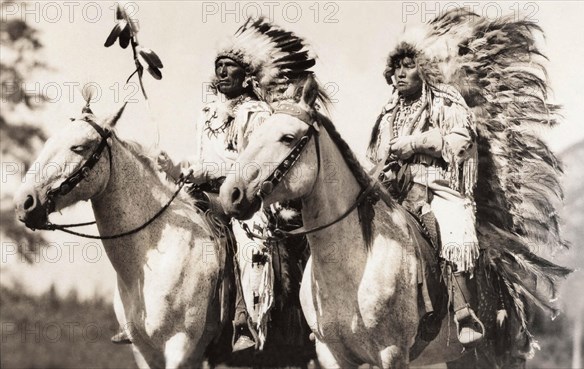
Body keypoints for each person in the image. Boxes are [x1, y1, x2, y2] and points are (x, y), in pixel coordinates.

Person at [110, 18, 319, 352]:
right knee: (157, 227)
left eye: (230, 67)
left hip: (244, 196)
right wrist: (176, 168)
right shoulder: (207, 111)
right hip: (202, 191)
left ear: (246, 76)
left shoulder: (257, 113)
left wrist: (200, 171)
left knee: (250, 242)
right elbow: (200, 157)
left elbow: (252, 164)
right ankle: (141, 316)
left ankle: (245, 322)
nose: (222, 72)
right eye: (218, 66)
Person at [367, 41, 484, 347]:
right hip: (395, 187)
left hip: (439, 187)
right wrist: (388, 151)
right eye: (396, 67)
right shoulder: (390, 108)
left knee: (451, 230)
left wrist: (416, 143)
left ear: (426, 70)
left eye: (408, 66)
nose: (400, 73)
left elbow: (463, 141)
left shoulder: (446, 101)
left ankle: (464, 310)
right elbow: (377, 153)